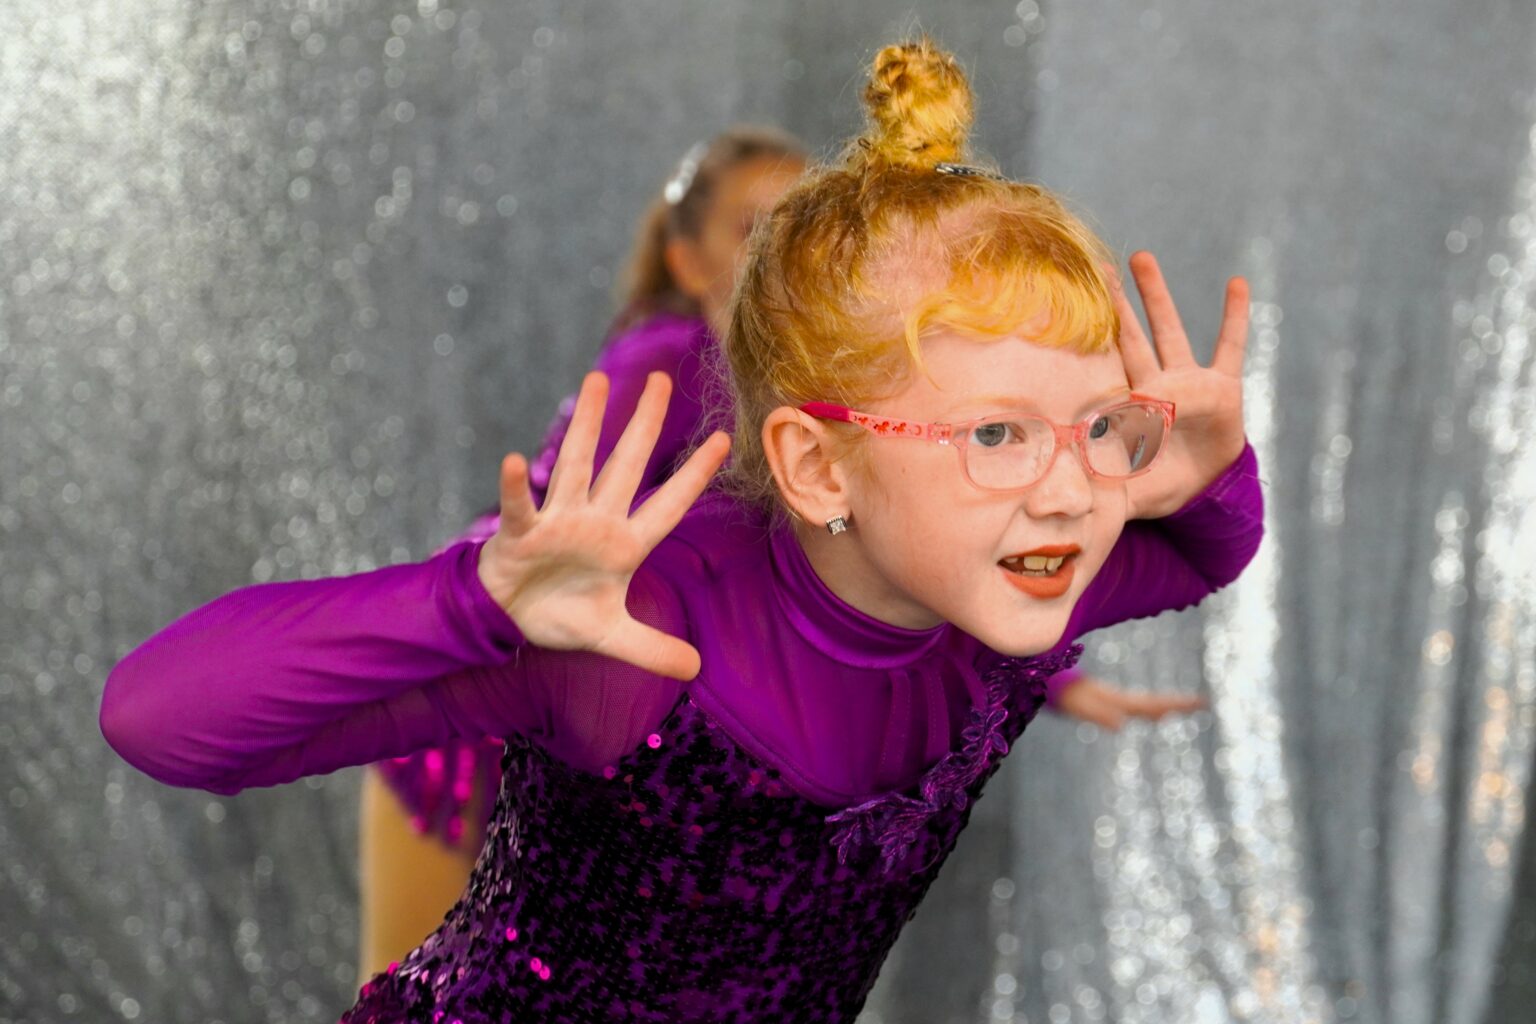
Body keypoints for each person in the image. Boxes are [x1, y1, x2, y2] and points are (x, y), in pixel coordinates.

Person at [101, 38, 1262, 1023]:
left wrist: (1198, 472)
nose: (1069, 492)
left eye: (1101, 425)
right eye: (1000, 435)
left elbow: (1211, 549)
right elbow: (155, 720)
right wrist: (474, 601)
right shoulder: (643, 646)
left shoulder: (1005, 586)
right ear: (817, 466)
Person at [360, 125, 1203, 979]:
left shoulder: (865, 398)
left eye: (810, 226)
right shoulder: (658, 362)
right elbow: (540, 518)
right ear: (689, 265)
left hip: (671, 753)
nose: (789, 249)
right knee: (437, 976)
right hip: (499, 735)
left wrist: (1058, 677)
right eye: (752, 229)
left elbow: (926, 569)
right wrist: (466, 607)